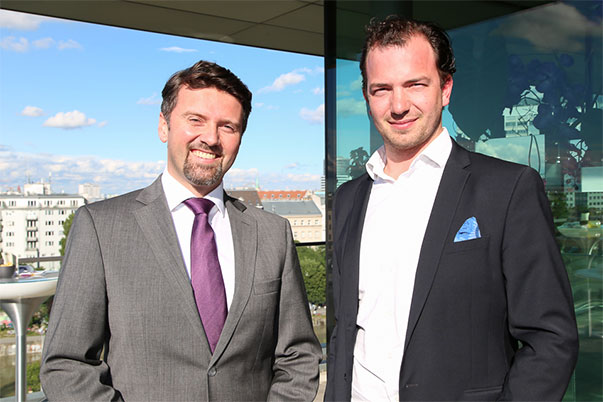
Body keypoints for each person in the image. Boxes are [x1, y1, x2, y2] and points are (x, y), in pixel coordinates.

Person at [325, 16, 578, 401]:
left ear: (445, 89)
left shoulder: (508, 190)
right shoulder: (348, 198)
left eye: (415, 85)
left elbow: (551, 339)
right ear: (366, 96)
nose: (398, 105)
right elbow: (344, 328)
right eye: (382, 89)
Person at [40, 60, 321, 401]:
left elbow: (298, 355)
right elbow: (66, 364)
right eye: (195, 120)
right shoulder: (101, 228)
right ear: (164, 126)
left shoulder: (272, 233)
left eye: (227, 126)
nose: (211, 138)